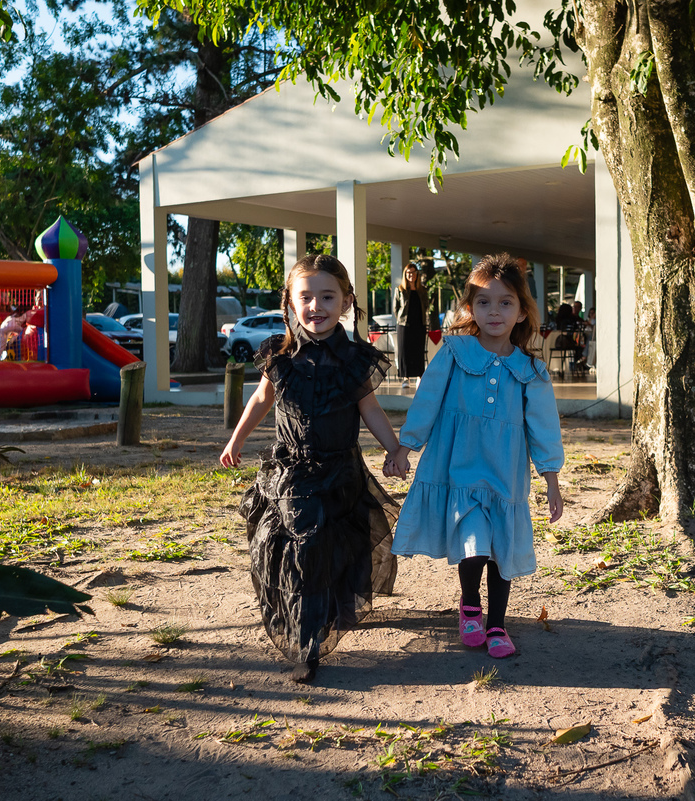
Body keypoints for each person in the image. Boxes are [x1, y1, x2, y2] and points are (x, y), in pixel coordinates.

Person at [220, 254, 404, 684]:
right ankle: (305, 644)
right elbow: (261, 401)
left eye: (327, 296)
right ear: (289, 302)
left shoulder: (355, 360)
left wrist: (395, 449)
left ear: (346, 302)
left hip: (341, 471)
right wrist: (236, 439)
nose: (316, 306)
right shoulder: (280, 356)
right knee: (300, 548)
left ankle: (326, 612)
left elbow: (371, 409)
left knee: (332, 547)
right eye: (306, 297)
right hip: (290, 471)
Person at [389, 253, 564, 659]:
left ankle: (498, 625)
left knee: (500, 548)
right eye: (484, 302)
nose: (494, 311)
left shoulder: (530, 371)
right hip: (459, 467)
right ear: (470, 308)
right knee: (474, 543)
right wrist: (405, 447)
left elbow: (543, 427)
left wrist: (551, 479)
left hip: (505, 473)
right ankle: (470, 606)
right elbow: (427, 402)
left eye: (506, 302)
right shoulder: (454, 353)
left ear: (521, 313)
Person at [393, 262, 430, 388]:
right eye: (409, 273)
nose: (411, 275)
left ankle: (420, 377)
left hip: (419, 324)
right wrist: (400, 319)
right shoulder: (400, 290)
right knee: (404, 351)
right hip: (404, 325)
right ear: (405, 274)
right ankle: (406, 378)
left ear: (417, 274)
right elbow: (395, 308)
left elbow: (426, 306)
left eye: (414, 272)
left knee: (418, 350)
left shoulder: (422, 290)